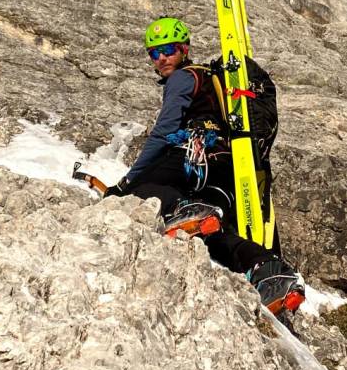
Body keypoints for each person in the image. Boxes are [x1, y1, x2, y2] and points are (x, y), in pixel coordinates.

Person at [104, 17, 305, 317]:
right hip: (226, 171)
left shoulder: (183, 77)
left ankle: (185, 207)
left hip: (195, 160)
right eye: (154, 53)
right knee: (211, 236)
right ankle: (269, 271)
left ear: (184, 49)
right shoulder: (212, 80)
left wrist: (126, 181)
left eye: (168, 49)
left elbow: (164, 131)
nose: (161, 58)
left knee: (138, 190)